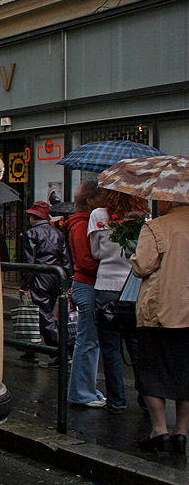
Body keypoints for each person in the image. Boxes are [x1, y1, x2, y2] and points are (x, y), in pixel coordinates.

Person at [130, 199, 189, 454]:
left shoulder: (156, 227)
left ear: (167, 200)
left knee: (153, 370)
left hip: (160, 309)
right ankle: (181, 434)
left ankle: (160, 431)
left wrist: (131, 252)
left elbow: (142, 266)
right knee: (185, 372)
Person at [89, 189, 146, 414]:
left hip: (106, 285)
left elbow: (95, 253)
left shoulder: (98, 216)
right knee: (136, 345)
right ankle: (146, 400)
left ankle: (116, 401)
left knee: (110, 347)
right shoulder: (143, 218)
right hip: (134, 287)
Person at [67, 181, 107, 407]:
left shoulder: (80, 223)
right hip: (88, 283)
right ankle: (82, 392)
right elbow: (85, 261)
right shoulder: (82, 225)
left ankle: (86, 389)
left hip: (84, 283)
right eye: (100, 198)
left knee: (90, 340)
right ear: (89, 201)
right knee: (88, 340)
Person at [19, 200, 72, 353]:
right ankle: (32, 350)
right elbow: (65, 259)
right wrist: (66, 280)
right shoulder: (58, 233)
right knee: (45, 312)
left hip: (40, 277)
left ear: (34, 217)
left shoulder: (32, 233)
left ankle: (59, 350)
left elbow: (29, 261)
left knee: (43, 314)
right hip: (56, 275)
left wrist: (25, 285)